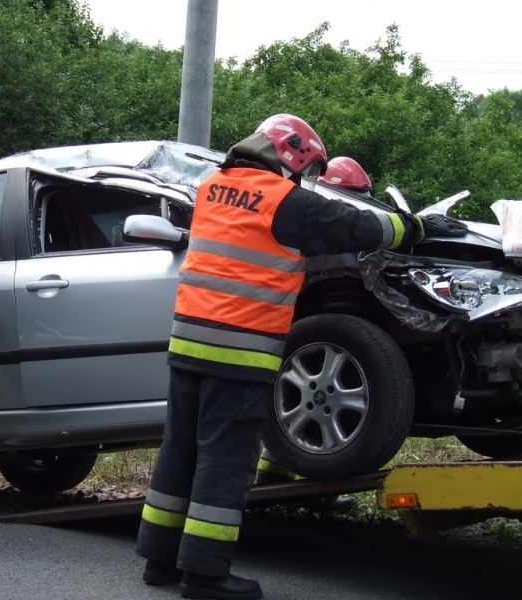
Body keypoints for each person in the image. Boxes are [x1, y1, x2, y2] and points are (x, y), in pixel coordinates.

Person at [135, 113, 467, 600]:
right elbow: (356, 225)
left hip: (188, 344)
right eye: (307, 169)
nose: (305, 179)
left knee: (180, 450)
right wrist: (416, 226)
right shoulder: (283, 200)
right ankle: (205, 573)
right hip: (241, 349)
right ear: (291, 156)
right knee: (226, 461)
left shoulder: (212, 187)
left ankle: (158, 560)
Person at [254, 153, 376, 512]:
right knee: (302, 404)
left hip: (327, 342)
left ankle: (290, 483)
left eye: (361, 197)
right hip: (303, 337)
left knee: (307, 410)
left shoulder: (325, 218)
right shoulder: (309, 219)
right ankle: (279, 481)